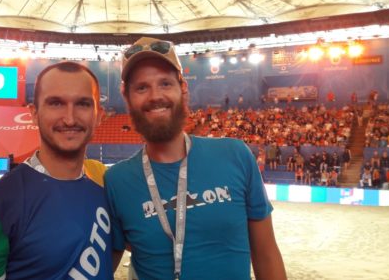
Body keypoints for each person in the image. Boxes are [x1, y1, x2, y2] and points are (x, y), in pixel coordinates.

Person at [105, 37, 286, 280]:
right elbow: (102, 268)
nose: (155, 96)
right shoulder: (117, 181)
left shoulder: (235, 155)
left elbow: (266, 254)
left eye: (165, 83)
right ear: (127, 98)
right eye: (141, 87)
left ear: (183, 89)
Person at [0, 62, 112, 280]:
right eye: (55, 103)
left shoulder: (105, 189)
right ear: (34, 113)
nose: (70, 118)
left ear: (99, 115)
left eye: (83, 104)